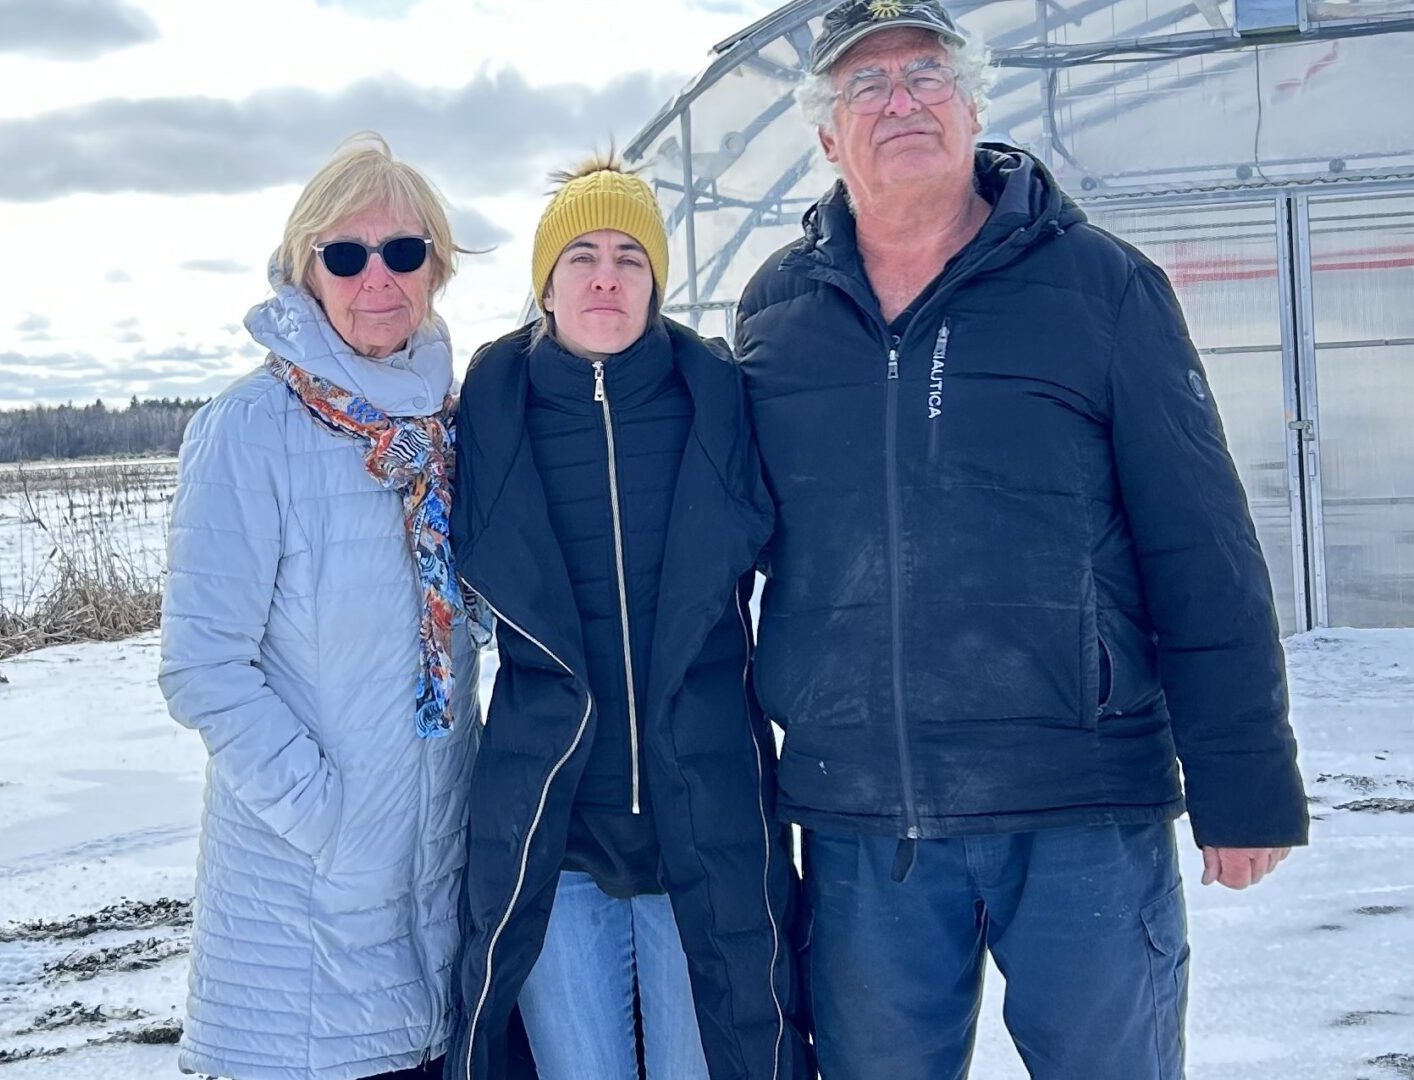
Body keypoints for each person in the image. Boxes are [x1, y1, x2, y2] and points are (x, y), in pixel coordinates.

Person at [733, 2, 1309, 1078]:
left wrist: (1246, 784)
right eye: (865, 87)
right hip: (868, 828)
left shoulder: (1099, 285)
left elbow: (1201, 543)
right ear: (824, 135)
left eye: (925, 76)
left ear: (972, 101)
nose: (900, 102)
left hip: (1080, 805)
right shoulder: (780, 311)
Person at [447, 157, 808, 1080]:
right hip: (553, 831)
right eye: (580, 255)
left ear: (656, 282)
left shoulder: (723, 401)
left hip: (707, 818)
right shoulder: (488, 414)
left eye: (629, 256)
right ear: (546, 284)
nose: (606, 275)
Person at [159, 132, 480, 1080]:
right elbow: (204, 669)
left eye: (403, 251)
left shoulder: (446, 431)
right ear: (307, 271)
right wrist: (334, 824)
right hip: (301, 912)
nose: (375, 276)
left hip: (428, 899)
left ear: (437, 268)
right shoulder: (250, 430)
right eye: (345, 254)